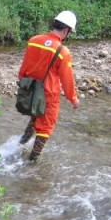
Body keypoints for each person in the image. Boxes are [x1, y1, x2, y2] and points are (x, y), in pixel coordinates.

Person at [17, 10, 80, 163]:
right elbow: (67, 79)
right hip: (48, 94)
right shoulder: (63, 52)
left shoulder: (34, 40)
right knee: (45, 128)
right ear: (66, 30)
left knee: (34, 117)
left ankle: (19, 146)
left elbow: (25, 66)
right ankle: (32, 161)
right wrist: (73, 99)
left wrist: (23, 82)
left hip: (32, 88)